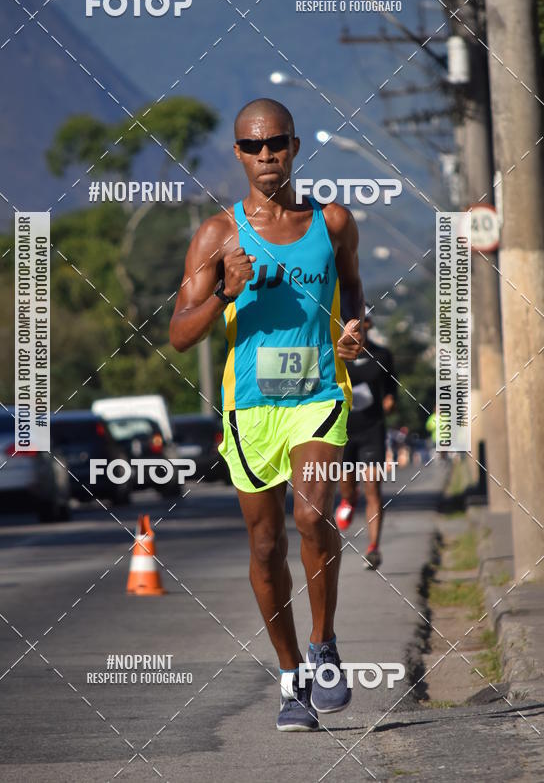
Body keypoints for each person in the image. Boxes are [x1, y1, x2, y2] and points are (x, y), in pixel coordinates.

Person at [169, 98, 365, 732]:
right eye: (252, 147)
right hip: (249, 410)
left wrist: (356, 329)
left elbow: (354, 289)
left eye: (275, 143)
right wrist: (224, 289)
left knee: (310, 513)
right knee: (265, 544)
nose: (265, 156)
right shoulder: (216, 235)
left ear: (295, 145)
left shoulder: (332, 223)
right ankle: (290, 679)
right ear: (237, 154)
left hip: (318, 394)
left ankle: (324, 644)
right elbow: (178, 333)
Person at [334, 317, 397, 570]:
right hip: (344, 430)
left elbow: (392, 386)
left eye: (363, 325)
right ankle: (348, 499)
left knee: (373, 487)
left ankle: (373, 547)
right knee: (348, 487)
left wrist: (391, 400)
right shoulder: (336, 354)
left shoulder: (382, 355)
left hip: (373, 429)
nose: (358, 331)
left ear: (369, 327)